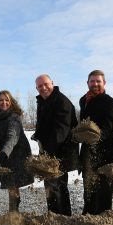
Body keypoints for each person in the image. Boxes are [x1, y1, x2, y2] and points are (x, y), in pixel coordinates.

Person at [32, 74, 79, 216]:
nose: (43, 88)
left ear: (52, 83)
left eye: (46, 84)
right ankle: (53, 215)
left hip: (60, 153)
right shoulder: (43, 101)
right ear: (36, 88)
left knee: (58, 186)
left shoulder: (61, 102)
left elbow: (61, 131)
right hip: (49, 151)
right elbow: (44, 124)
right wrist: (37, 134)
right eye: (40, 86)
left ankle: (63, 218)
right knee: (50, 185)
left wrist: (47, 155)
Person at [79, 69, 113, 215]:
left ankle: (103, 219)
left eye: (98, 81)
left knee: (103, 188)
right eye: (92, 81)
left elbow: (108, 127)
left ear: (104, 83)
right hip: (88, 151)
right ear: (87, 83)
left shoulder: (110, 103)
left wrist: (95, 138)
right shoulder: (84, 100)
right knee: (88, 185)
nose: (95, 84)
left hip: (105, 152)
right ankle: (88, 216)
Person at [0, 90, 34, 212]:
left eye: (6, 100)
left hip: (18, 153)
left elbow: (12, 137)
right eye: (1, 100)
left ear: (11, 102)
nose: (4, 102)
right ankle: (13, 211)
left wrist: (3, 153)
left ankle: (13, 213)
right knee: (10, 184)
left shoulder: (14, 117)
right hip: (6, 153)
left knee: (13, 183)